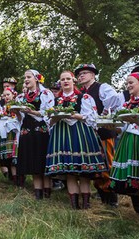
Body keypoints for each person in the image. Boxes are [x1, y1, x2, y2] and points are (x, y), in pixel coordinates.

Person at [45, 70, 106, 207]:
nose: (65, 81)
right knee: (70, 172)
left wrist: (78, 116)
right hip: (62, 134)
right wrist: (53, 118)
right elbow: (48, 121)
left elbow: (92, 117)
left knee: (84, 172)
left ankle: (86, 204)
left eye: (68, 79)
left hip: (80, 133)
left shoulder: (84, 97)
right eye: (62, 80)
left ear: (74, 81)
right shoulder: (54, 101)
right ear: (60, 83)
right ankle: (74, 205)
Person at [74, 63, 124, 206]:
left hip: (104, 132)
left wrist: (106, 115)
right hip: (89, 134)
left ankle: (112, 200)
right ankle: (104, 198)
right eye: (79, 74)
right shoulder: (82, 94)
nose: (81, 75)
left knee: (108, 164)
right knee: (96, 167)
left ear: (93, 74)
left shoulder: (103, 87)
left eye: (84, 73)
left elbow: (115, 102)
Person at [108, 73, 139, 214]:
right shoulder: (127, 104)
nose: (128, 86)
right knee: (131, 176)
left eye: (131, 83)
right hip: (128, 139)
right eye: (127, 83)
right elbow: (122, 126)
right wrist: (111, 127)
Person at [13, 69, 54, 191]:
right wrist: (16, 112)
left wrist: (32, 112)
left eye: (28, 77)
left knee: (42, 159)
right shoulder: (21, 97)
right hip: (27, 130)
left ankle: (47, 191)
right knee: (32, 160)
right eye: (25, 77)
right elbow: (20, 118)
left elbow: (49, 112)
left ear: (36, 78)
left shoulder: (46, 93)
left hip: (41, 130)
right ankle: (38, 192)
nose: (25, 80)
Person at [0, 87, 21, 183]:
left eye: (8, 95)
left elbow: (19, 118)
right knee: (7, 157)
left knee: (14, 156)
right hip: (4, 131)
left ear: (13, 95)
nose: (6, 97)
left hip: (14, 132)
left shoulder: (17, 105)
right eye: (4, 95)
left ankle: (18, 178)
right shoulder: (2, 107)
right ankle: (12, 177)